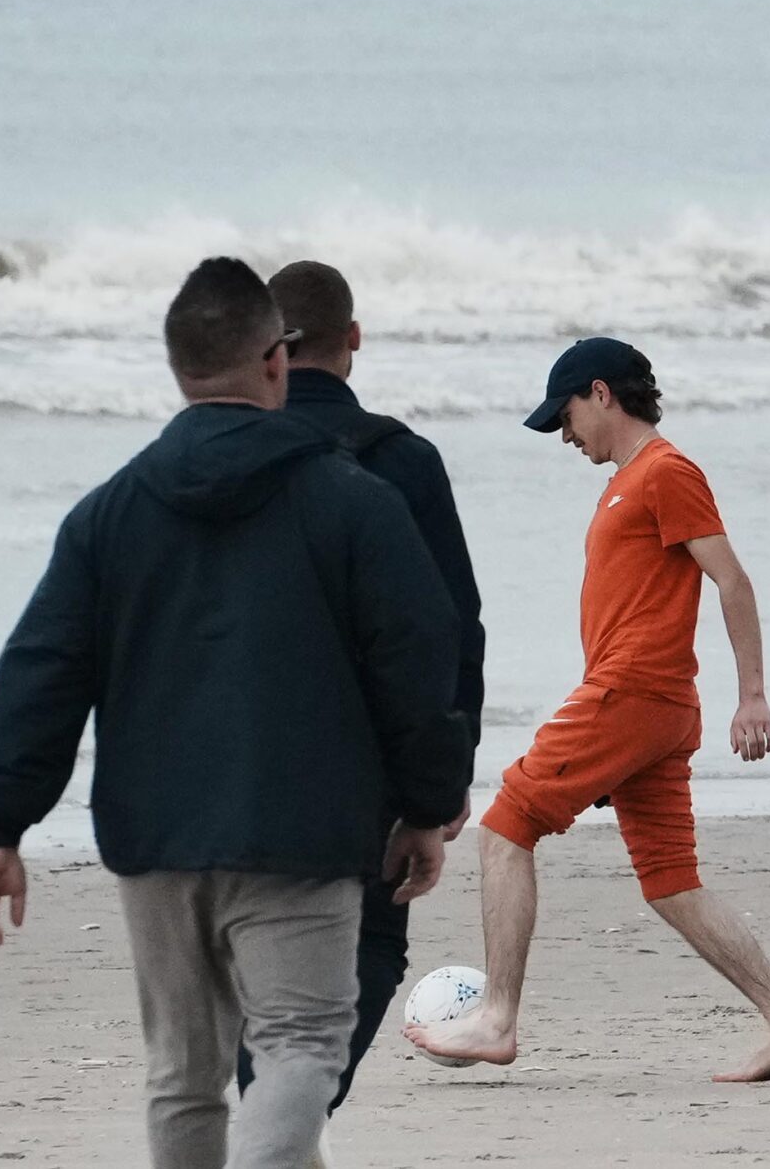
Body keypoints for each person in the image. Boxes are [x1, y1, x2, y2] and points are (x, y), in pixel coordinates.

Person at [0, 257, 470, 1169]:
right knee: (301, 1048)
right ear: (275, 362)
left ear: (179, 369)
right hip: (301, 831)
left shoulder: (108, 513)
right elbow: (421, 656)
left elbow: (41, 668)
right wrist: (427, 805)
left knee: (183, 1073)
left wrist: (4, 825)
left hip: (154, 836)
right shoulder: (354, 501)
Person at [403, 337, 770, 1082]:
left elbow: (731, 581)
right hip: (643, 705)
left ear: (601, 393)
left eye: (564, 416)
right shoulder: (627, 482)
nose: (564, 435)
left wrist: (752, 694)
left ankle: (497, 1019)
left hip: (635, 692)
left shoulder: (667, 472)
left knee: (506, 826)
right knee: (671, 881)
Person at [218, 260, 488, 1121]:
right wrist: (439, 785)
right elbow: (451, 629)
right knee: (369, 943)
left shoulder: (210, 457)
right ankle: (285, 1122)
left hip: (229, 754)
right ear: (355, 341)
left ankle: (266, 1116)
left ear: (265, 347)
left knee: (239, 953)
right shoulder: (402, 462)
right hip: (361, 767)